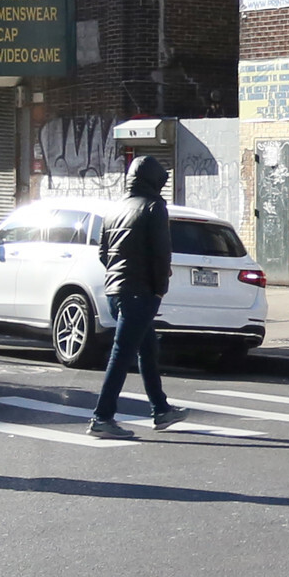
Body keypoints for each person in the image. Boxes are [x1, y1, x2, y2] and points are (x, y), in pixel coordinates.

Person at [88, 157, 189, 438]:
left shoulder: (115, 208)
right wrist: (159, 289)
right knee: (122, 353)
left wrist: (118, 276)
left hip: (116, 289)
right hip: (141, 290)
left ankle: (161, 409)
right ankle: (102, 416)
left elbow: (103, 253)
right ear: (154, 180)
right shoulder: (155, 207)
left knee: (147, 349)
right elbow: (161, 252)